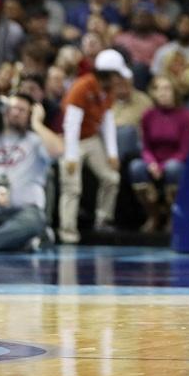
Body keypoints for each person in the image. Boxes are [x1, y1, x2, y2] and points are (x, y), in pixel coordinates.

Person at [58, 49, 129, 243]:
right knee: (72, 187)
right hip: (71, 141)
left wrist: (112, 153)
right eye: (117, 76)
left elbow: (107, 121)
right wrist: (71, 156)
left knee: (112, 178)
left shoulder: (108, 91)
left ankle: (103, 219)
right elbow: (71, 125)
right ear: (108, 74)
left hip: (91, 139)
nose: (119, 80)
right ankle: (68, 233)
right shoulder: (81, 87)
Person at [0, 94, 63, 251]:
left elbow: (58, 150)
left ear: (30, 115)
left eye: (22, 110)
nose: (16, 113)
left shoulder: (35, 140)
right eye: (13, 108)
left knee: (33, 222)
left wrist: (37, 124)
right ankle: (20, 243)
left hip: (25, 212)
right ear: (5, 111)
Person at [129, 76, 189, 232]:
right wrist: (152, 163)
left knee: (173, 168)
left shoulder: (185, 116)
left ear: (174, 92)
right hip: (153, 162)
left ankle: (173, 216)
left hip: (175, 162)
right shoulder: (148, 115)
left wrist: (163, 167)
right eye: (158, 89)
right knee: (135, 167)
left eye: (167, 89)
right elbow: (145, 147)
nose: (163, 93)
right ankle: (153, 215)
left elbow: (185, 150)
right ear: (153, 93)